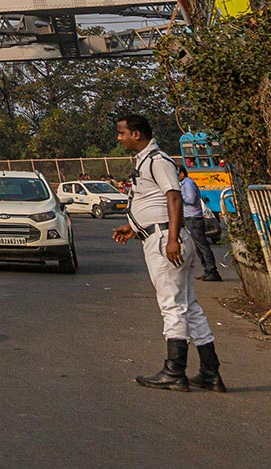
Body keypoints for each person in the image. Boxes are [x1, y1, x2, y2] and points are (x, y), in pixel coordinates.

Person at [112, 113, 223, 393]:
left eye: (122, 132)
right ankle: (210, 372)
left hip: (164, 241)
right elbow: (154, 202)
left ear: (137, 134)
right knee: (190, 307)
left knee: (172, 306)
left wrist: (171, 238)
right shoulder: (147, 161)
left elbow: (173, 196)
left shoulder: (157, 160)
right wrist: (134, 227)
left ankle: (174, 371)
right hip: (160, 235)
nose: (119, 138)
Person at [177, 171, 222, 282]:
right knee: (198, 247)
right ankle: (208, 271)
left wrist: (179, 196)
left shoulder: (188, 184)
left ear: (182, 173)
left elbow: (191, 199)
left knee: (202, 246)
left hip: (194, 219)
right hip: (190, 219)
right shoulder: (184, 184)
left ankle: (212, 271)